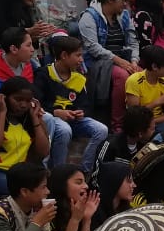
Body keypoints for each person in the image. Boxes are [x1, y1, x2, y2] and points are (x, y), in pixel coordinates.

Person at [35, 34, 109, 173]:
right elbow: (37, 102)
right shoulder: (44, 74)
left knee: (101, 129)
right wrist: (56, 112)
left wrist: (80, 112)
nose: (81, 60)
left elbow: (85, 105)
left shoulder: (79, 78)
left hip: (74, 119)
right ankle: (59, 171)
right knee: (64, 130)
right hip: (52, 118)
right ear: (64, 55)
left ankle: (85, 169)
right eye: (78, 55)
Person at [0, 76, 51, 197]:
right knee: (16, 194)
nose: (23, 105)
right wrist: (1, 113)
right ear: (4, 98)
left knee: (45, 193)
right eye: (18, 99)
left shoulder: (30, 119)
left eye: (27, 100)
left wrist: (36, 119)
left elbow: (43, 152)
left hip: (19, 174)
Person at [80, 0, 139, 132]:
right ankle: (117, 124)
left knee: (143, 75)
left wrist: (134, 61)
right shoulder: (89, 17)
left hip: (122, 60)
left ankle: (141, 120)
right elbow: (93, 48)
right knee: (122, 76)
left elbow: (133, 41)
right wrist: (119, 61)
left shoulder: (124, 16)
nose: (125, 4)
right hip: (98, 62)